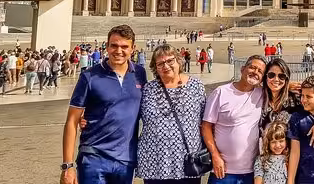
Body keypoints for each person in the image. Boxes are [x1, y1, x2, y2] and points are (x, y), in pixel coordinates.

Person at [61, 25, 147, 184]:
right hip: (94, 156)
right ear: (106, 46)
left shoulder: (140, 74)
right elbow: (72, 121)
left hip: (126, 159)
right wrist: (68, 166)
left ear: (133, 48)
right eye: (114, 45)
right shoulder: (89, 76)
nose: (118, 51)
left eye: (124, 47)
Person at [137, 44, 208, 184]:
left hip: (187, 160)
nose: (166, 66)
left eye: (170, 61)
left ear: (178, 61)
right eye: (160, 63)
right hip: (154, 160)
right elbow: (129, 114)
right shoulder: (147, 89)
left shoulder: (196, 86)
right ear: (155, 67)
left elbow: (206, 121)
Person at [203, 55, 266, 184]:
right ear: (242, 69)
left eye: (260, 71)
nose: (255, 72)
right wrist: (214, 155)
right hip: (222, 170)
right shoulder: (221, 92)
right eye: (252, 67)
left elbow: (278, 86)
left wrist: (290, 85)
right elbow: (206, 126)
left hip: (250, 171)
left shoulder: (262, 94)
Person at [260, 57, 314, 140]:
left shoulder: (295, 98)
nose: (276, 79)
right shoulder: (259, 97)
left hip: (292, 150)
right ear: (265, 77)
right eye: (271, 75)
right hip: (264, 151)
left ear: (286, 79)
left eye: (282, 76)